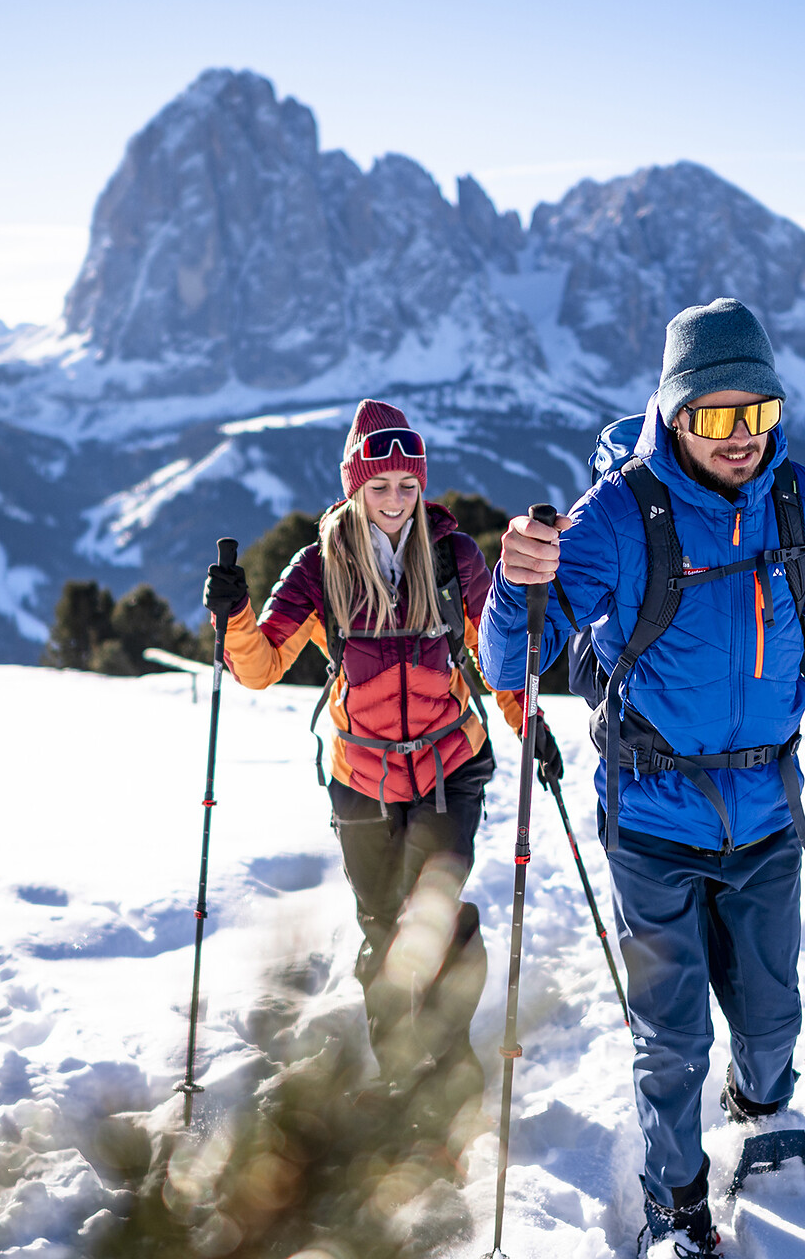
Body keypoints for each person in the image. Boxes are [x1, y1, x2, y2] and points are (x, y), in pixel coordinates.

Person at [479, 298, 805, 1256]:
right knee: (671, 1039)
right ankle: (676, 1206)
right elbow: (511, 660)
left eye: (758, 414)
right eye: (714, 417)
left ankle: (757, 1110)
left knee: (772, 1017)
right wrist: (515, 583)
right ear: (673, 413)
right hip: (652, 820)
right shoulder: (616, 518)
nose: (740, 439)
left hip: (766, 817)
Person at [201, 400, 562, 1142]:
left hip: (447, 767)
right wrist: (235, 618)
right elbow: (261, 667)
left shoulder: (453, 557)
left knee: (432, 919)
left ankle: (452, 1073)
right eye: (381, 485)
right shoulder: (319, 567)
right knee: (381, 927)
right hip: (361, 775)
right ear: (356, 487)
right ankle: (400, 1072)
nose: (395, 499)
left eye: (407, 484)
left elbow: (497, 657)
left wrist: (531, 724)